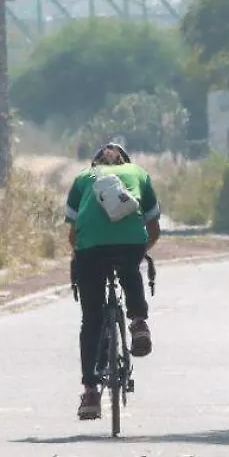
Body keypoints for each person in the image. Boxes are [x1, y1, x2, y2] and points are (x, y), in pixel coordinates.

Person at [65, 141, 161, 420]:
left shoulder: (83, 178)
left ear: (96, 164)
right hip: (129, 242)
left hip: (90, 248)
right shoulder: (140, 174)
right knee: (130, 268)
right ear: (125, 162)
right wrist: (139, 251)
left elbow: (73, 233)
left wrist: (82, 253)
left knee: (91, 320)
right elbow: (153, 227)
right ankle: (139, 322)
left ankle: (91, 393)